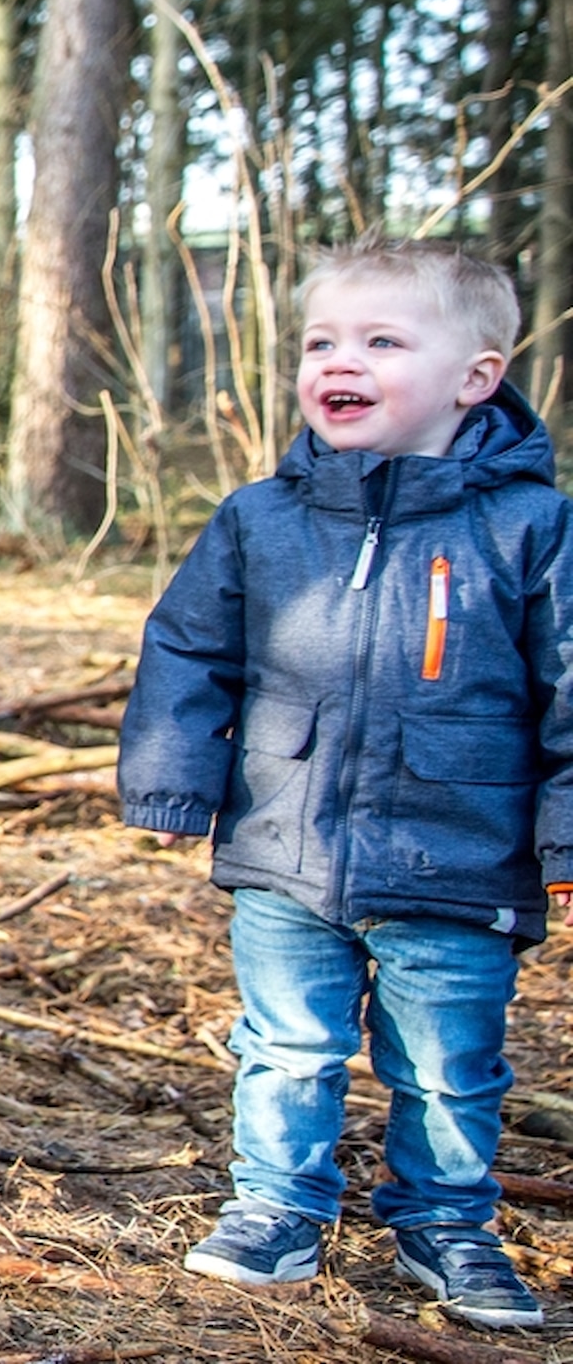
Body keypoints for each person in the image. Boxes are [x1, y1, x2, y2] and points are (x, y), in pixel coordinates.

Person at [125, 242, 571, 1331]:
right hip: (285, 841)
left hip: (458, 854)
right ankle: (275, 1203)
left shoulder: (528, 528)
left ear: (475, 375)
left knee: (448, 1062)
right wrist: (173, 780)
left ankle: (448, 1219)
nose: (341, 360)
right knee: (284, 1042)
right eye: (322, 340)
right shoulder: (260, 518)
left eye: (381, 340)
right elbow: (188, 647)